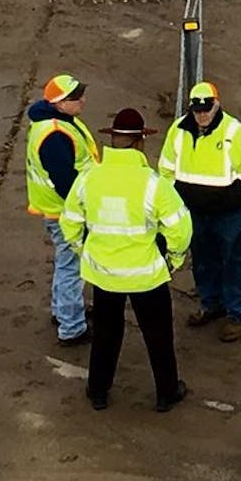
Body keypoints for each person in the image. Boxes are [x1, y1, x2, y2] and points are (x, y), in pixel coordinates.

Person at [61, 109, 191, 412]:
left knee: (106, 333)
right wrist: (174, 258)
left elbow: (70, 222)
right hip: (146, 275)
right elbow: (180, 227)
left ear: (113, 140)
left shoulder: (89, 177)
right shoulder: (153, 183)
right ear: (140, 143)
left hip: (105, 274)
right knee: (158, 335)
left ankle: (98, 391)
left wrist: (85, 252)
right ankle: (166, 393)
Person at [158, 81, 241, 342]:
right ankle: (211, 303)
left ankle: (239, 314)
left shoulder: (235, 134)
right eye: (197, 110)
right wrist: (167, 206)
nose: (202, 115)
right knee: (203, 260)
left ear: (217, 104)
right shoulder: (178, 131)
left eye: (206, 109)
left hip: (229, 214)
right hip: (194, 212)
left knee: (236, 262)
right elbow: (166, 169)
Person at [26, 73, 100, 345]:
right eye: (75, 97)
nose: (82, 100)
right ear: (59, 103)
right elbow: (65, 181)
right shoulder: (55, 133)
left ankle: (62, 312)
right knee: (72, 268)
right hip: (65, 212)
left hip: (56, 209)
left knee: (65, 263)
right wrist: (85, 208)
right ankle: (72, 328)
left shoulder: (56, 123)